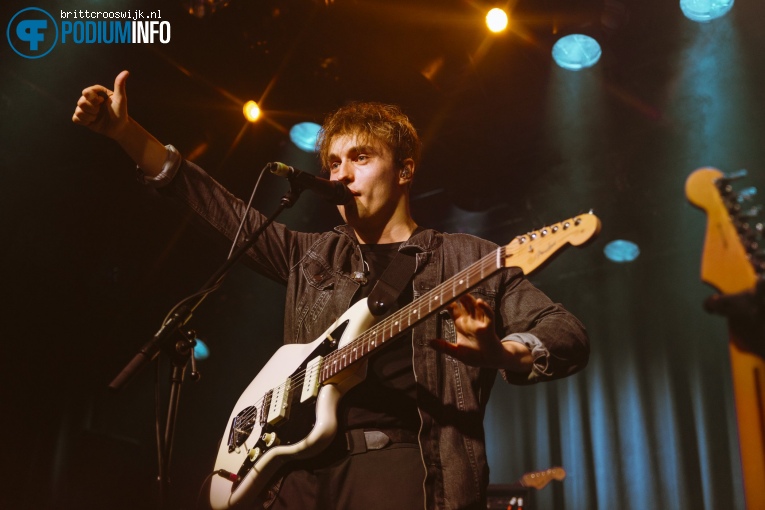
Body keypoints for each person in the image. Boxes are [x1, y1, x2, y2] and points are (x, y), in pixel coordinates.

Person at [73, 70, 590, 510]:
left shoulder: (468, 259)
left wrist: (500, 353)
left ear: (406, 170)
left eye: (360, 158)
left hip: (401, 467)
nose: (342, 175)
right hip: (294, 470)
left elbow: (565, 334)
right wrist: (126, 135)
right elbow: (218, 209)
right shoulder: (311, 254)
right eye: (334, 163)